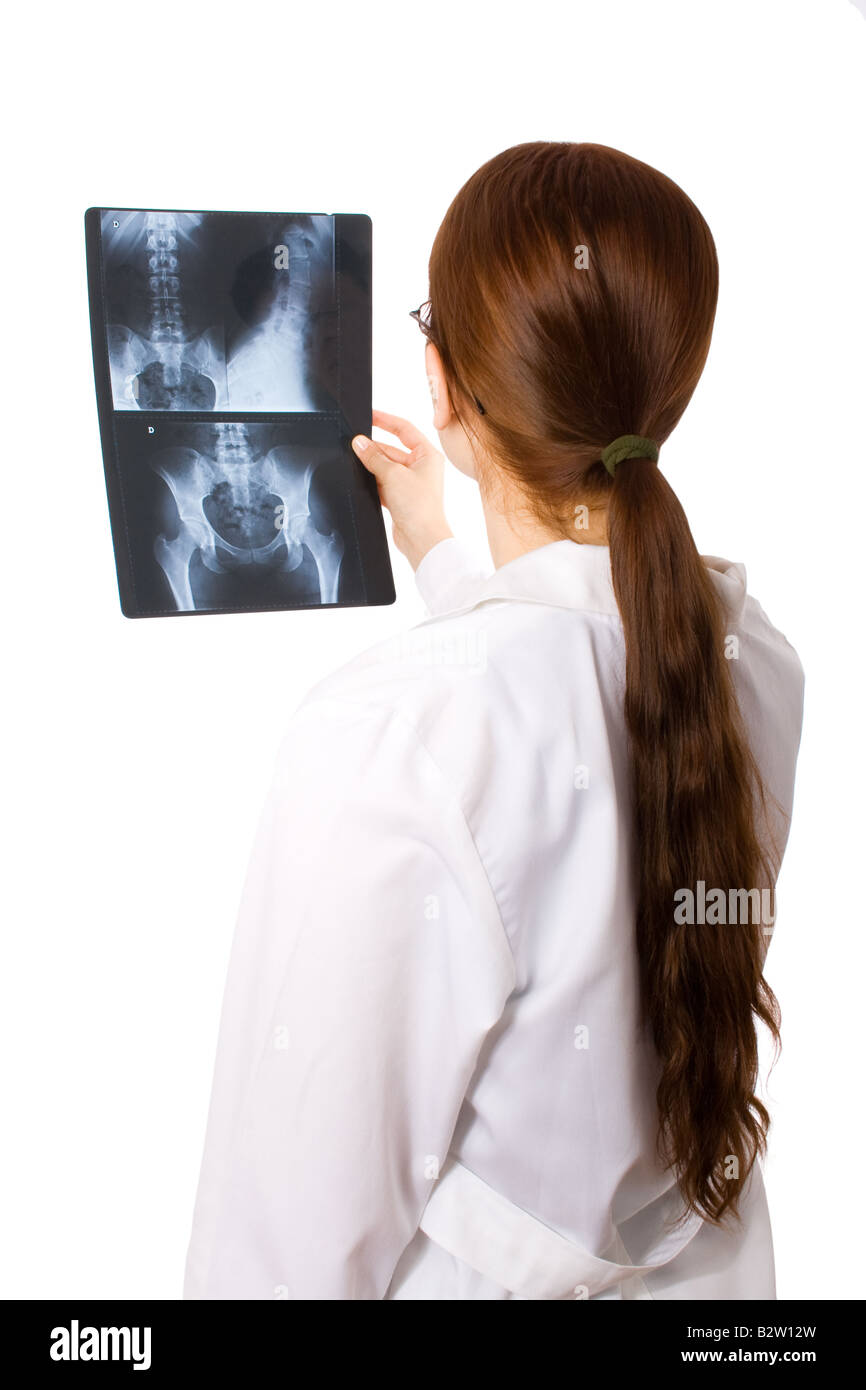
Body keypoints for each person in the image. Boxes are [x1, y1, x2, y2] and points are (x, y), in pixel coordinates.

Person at [183, 142, 804, 1300]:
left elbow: (287, 1231)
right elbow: (558, 742)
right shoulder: (750, 662)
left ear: (443, 382)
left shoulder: (390, 731)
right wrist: (439, 556)